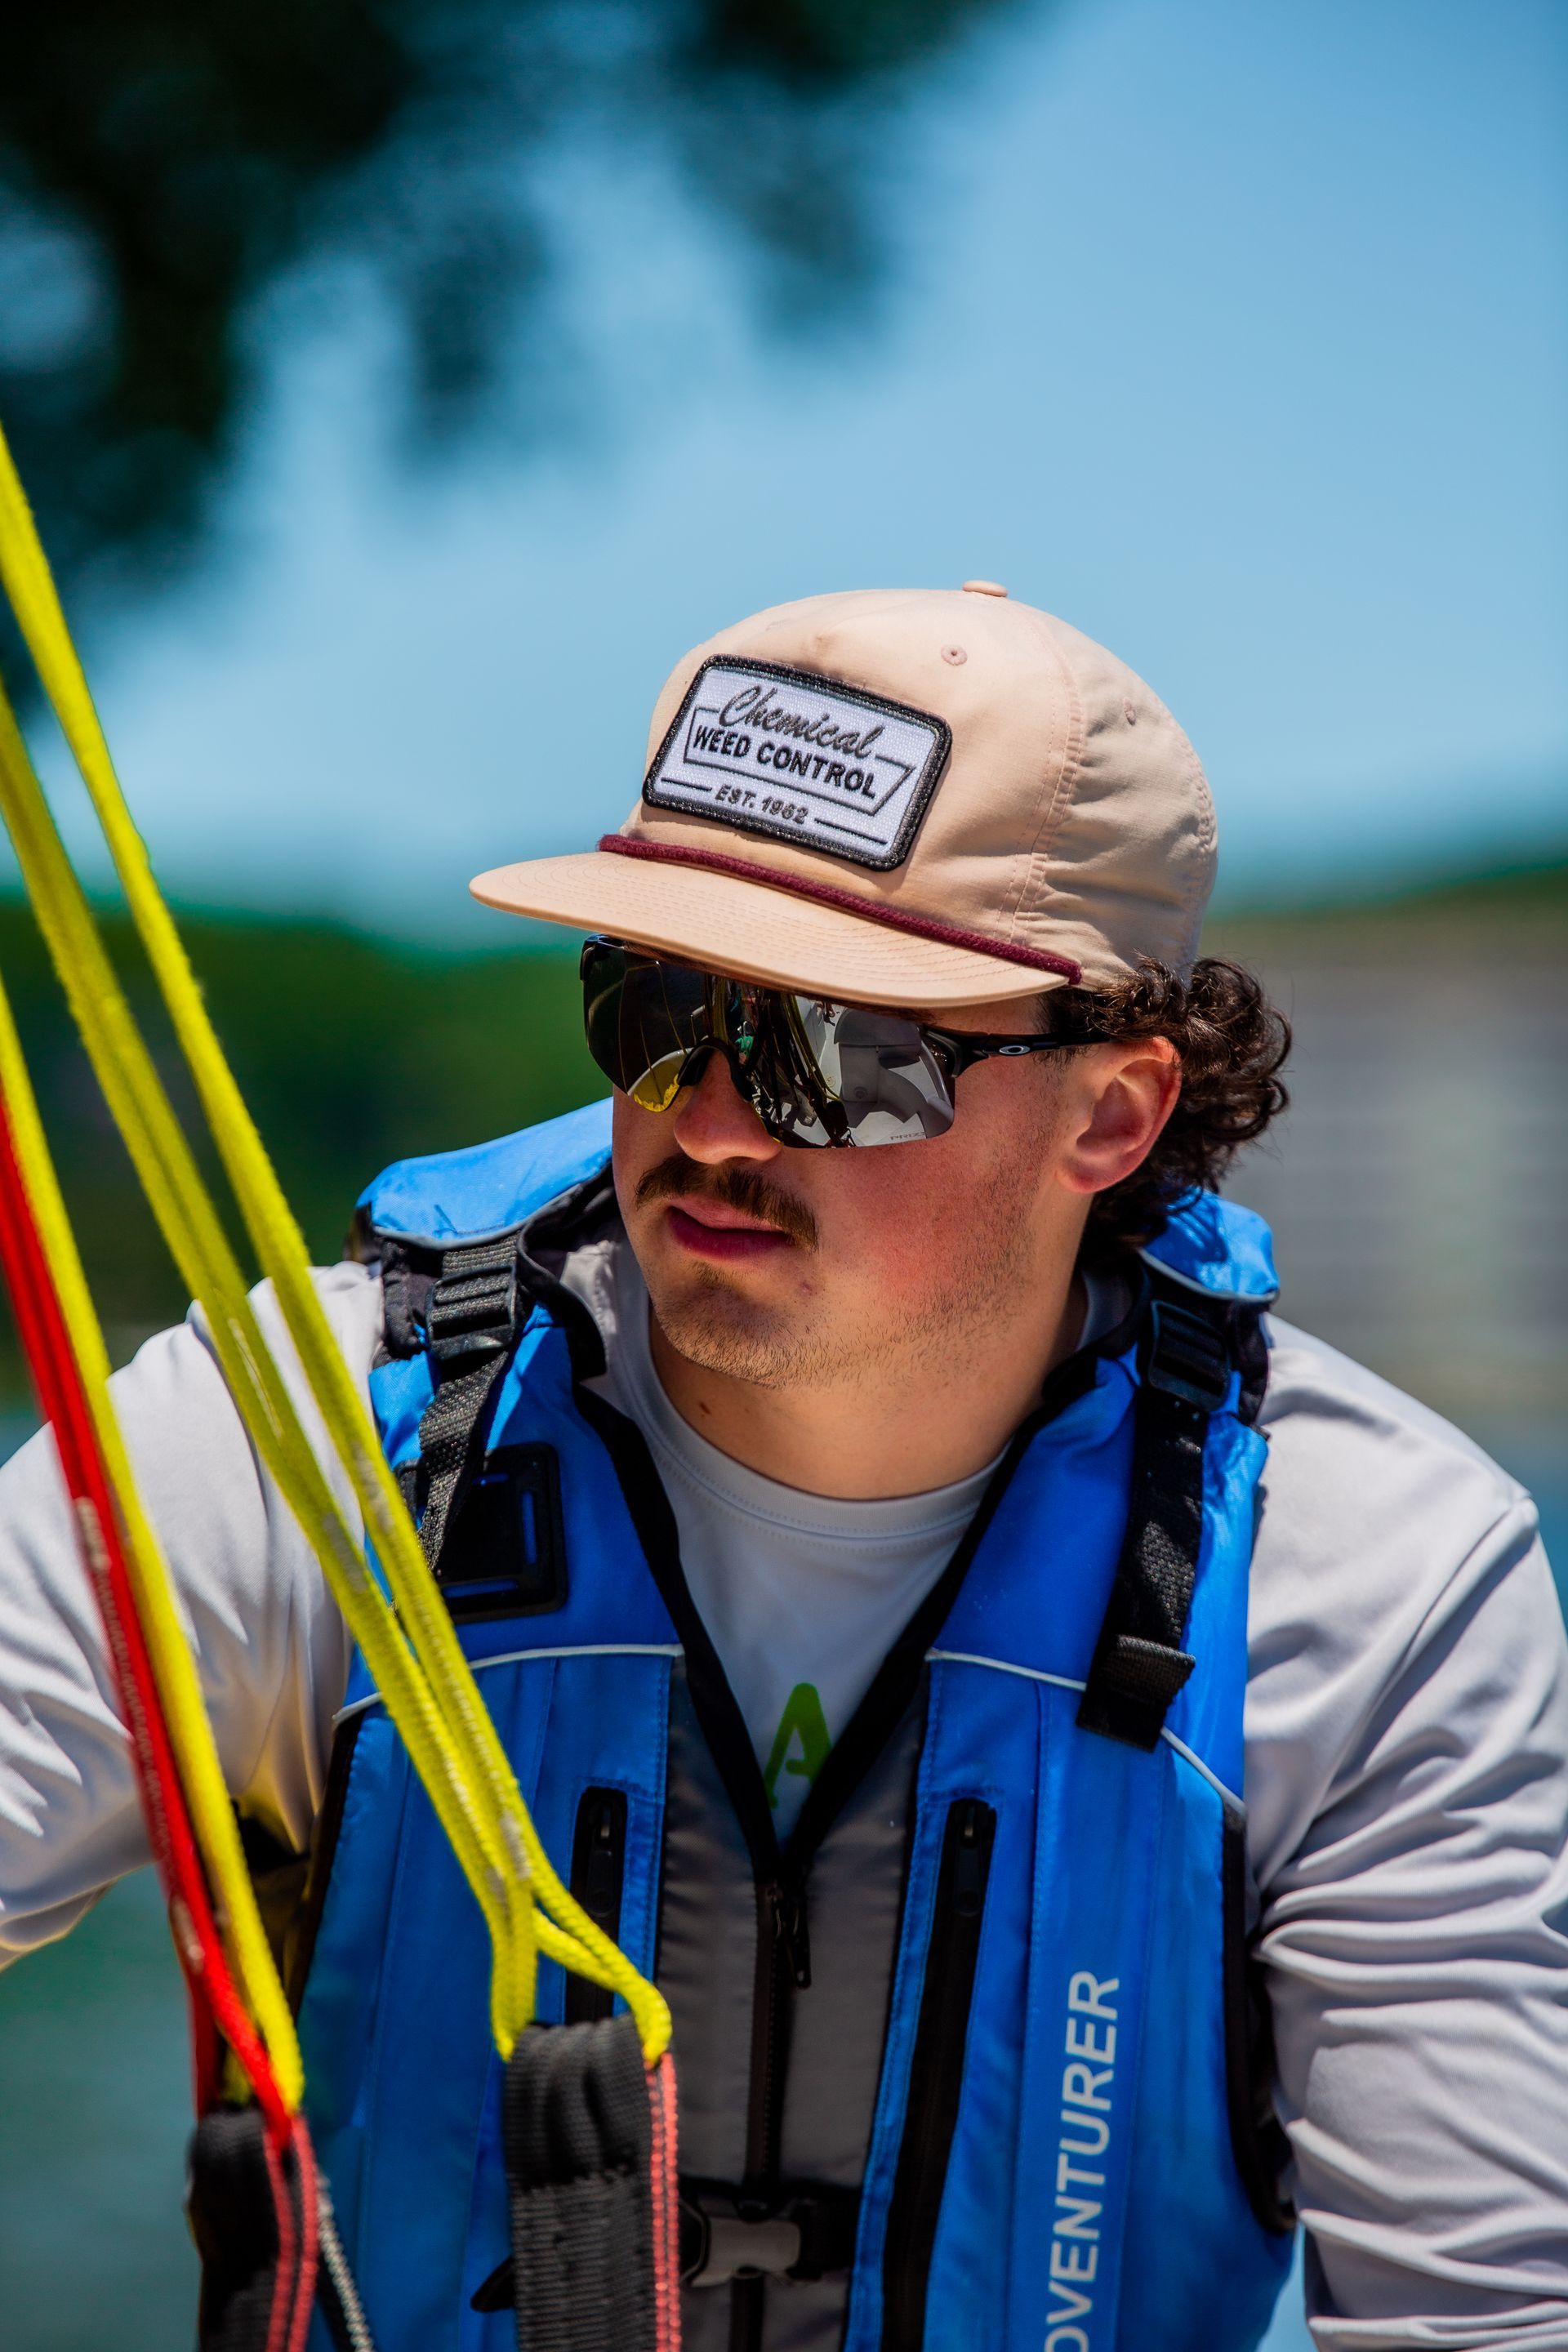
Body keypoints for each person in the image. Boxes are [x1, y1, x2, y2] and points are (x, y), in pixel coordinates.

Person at [1, 585, 1566, 2352]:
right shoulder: (296, 1440)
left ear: (1111, 1115)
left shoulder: (1372, 1571)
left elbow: (1480, 2314)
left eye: (842, 1056)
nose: (721, 1119)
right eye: (660, 1011)